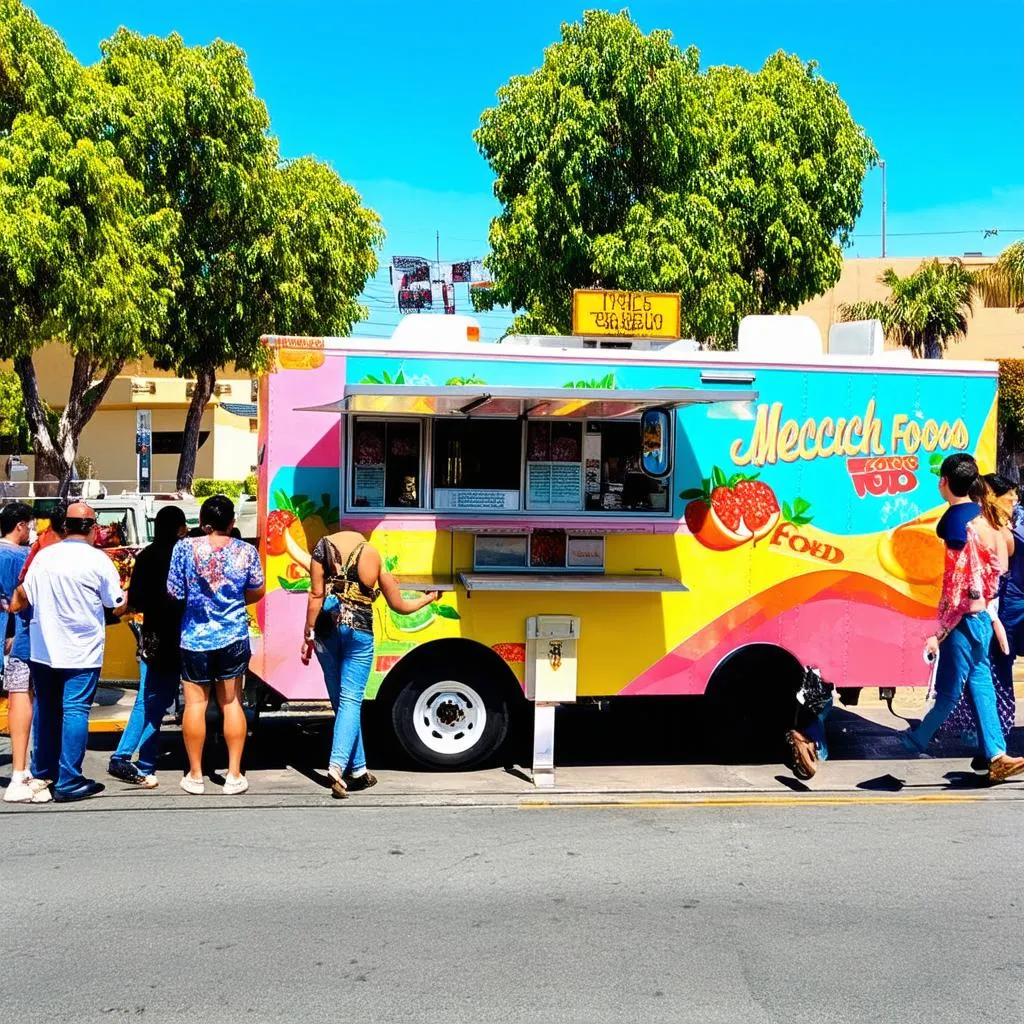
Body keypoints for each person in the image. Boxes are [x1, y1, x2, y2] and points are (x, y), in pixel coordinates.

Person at [900, 454, 1024, 781]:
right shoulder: (989, 520)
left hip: (965, 617)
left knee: (951, 687)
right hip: (983, 615)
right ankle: (997, 753)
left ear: (944, 482)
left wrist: (942, 627)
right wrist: (991, 616)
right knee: (980, 682)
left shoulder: (959, 524)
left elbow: (961, 581)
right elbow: (997, 571)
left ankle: (916, 738)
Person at [301, 529, 438, 798]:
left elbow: (316, 595)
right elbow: (398, 604)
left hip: (326, 634)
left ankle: (359, 771)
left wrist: (308, 632)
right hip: (359, 633)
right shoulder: (372, 553)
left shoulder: (321, 549)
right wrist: (428, 598)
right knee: (351, 701)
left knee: (342, 704)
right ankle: (337, 767)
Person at [10, 502, 127, 802]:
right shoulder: (98, 560)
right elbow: (115, 603)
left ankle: (43, 774)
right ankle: (70, 779)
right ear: (91, 528)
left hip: (43, 648)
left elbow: (22, 596)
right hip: (82, 651)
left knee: (47, 710)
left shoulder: (44, 557)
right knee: (75, 710)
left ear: (65, 526)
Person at [167, 495, 264, 796]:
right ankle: (234, 774)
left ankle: (195, 775)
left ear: (202, 523)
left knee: (195, 704)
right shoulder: (247, 551)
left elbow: (174, 592)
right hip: (234, 636)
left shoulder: (183, 548)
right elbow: (257, 589)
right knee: (231, 702)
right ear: (232, 522)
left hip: (195, 637)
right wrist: (234, 602)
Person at [940, 474, 1019, 767]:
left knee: (987, 679)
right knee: (986, 678)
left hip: (994, 613)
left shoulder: (1001, 529)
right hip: (991, 613)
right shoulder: (985, 529)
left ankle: (991, 749)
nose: (1014, 499)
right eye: (1009, 494)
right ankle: (990, 749)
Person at [107, 506, 188, 788]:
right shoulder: (183, 555)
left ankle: (144, 760)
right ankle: (127, 756)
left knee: (151, 697)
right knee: (157, 699)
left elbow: (137, 600)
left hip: (152, 635)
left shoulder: (146, 556)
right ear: (180, 528)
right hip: (181, 634)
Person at [0, 502, 50, 803]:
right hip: (21, 636)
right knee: (29, 697)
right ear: (21, 526)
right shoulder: (24, 558)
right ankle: (29, 768)